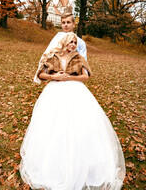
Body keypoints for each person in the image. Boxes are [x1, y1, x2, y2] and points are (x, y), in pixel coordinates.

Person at [20, 32, 125, 190]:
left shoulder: (78, 58)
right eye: (71, 42)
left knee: (79, 125)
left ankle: (82, 165)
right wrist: (55, 76)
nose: (73, 45)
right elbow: (40, 74)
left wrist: (70, 78)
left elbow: (86, 76)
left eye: (75, 43)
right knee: (53, 126)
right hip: (54, 93)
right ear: (65, 42)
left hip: (76, 92)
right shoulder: (52, 56)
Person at [34, 13, 87, 84]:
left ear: (73, 24)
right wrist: (53, 75)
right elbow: (49, 57)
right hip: (57, 78)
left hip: (73, 79)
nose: (65, 25)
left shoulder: (80, 42)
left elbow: (83, 63)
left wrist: (71, 76)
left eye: (68, 22)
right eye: (63, 22)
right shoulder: (57, 39)